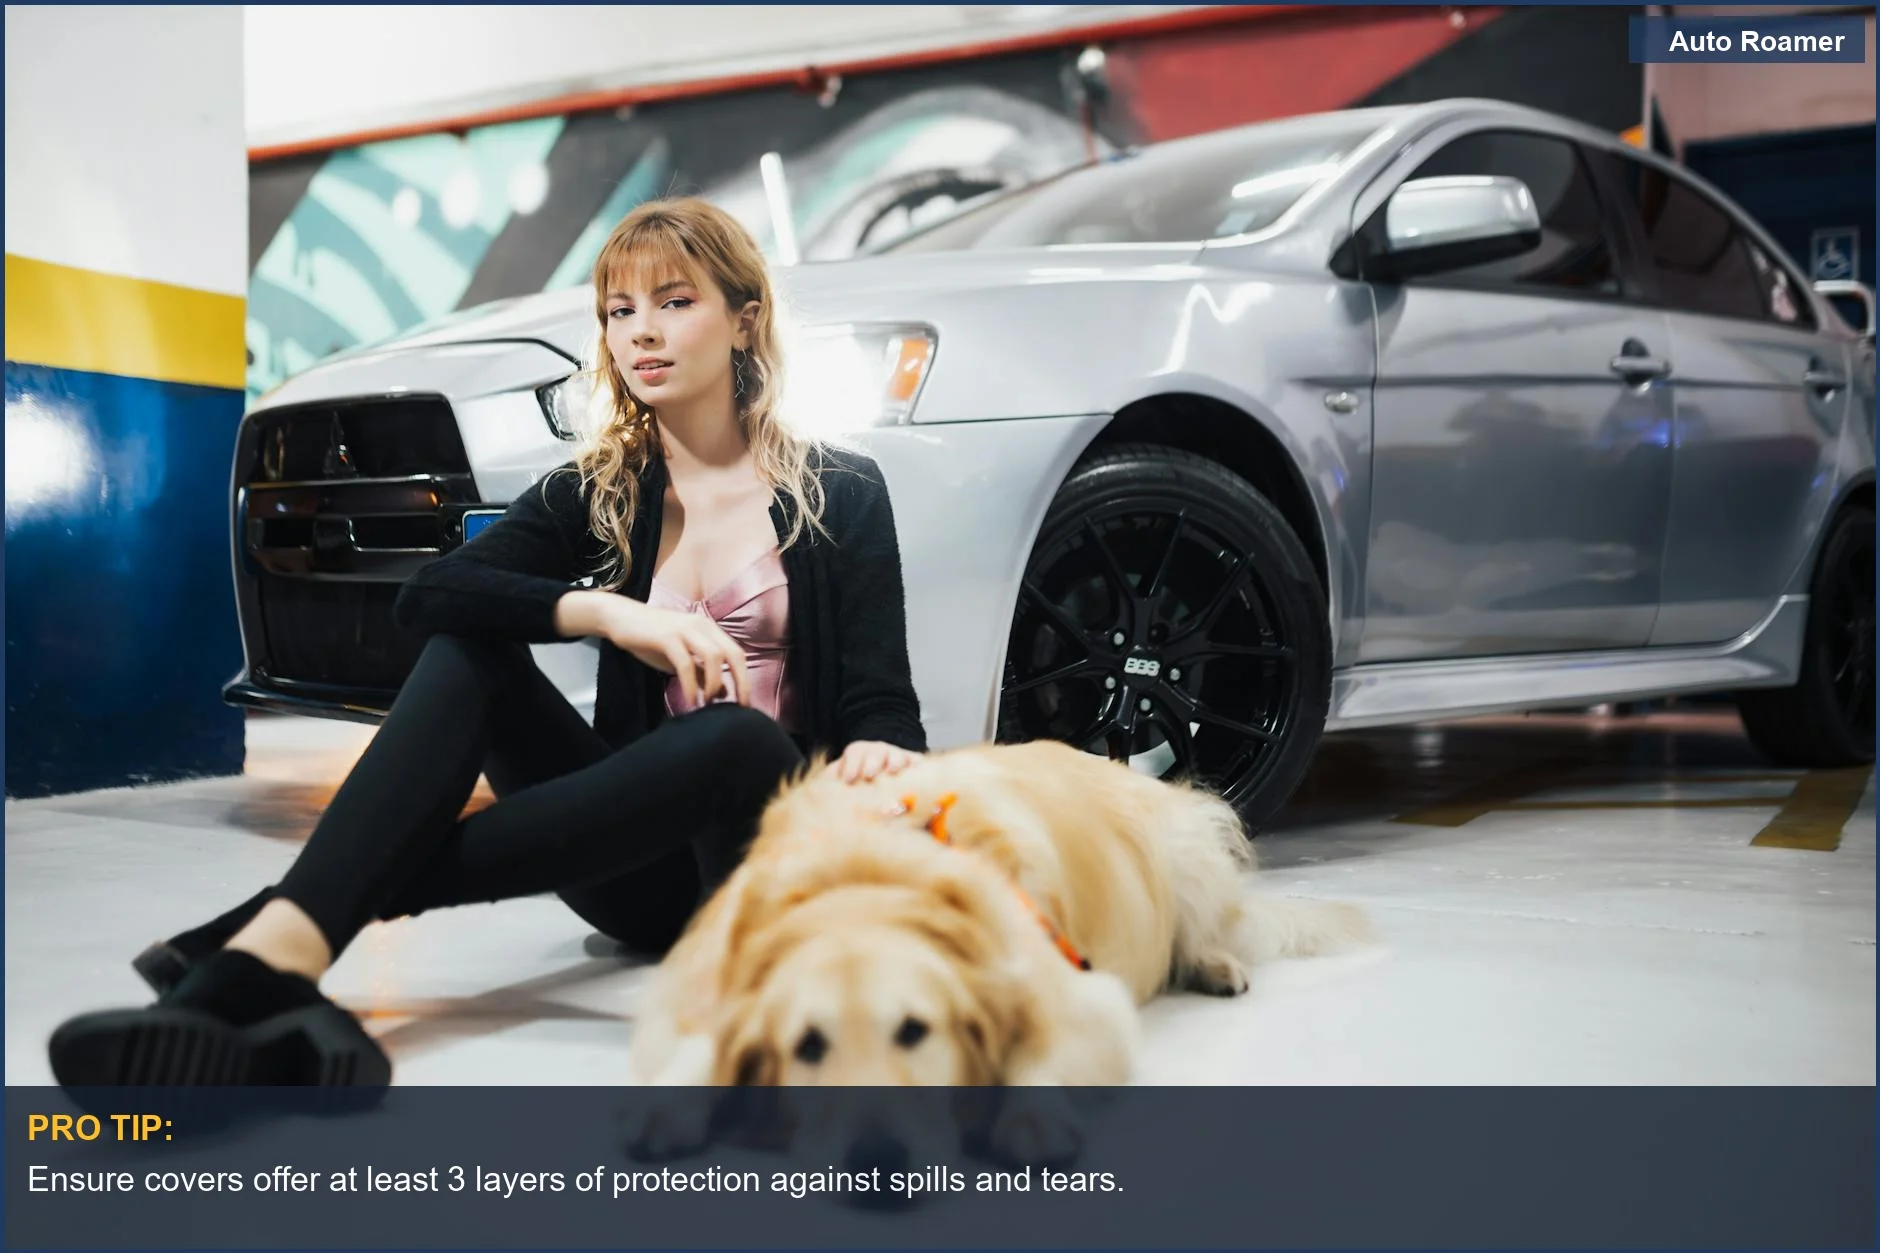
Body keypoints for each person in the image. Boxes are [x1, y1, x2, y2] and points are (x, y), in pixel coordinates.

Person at [47, 197, 928, 1090]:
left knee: (736, 736)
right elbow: (431, 596)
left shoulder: (840, 490)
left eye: (673, 302)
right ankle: (271, 973)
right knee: (467, 651)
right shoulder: (600, 491)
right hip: (631, 870)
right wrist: (608, 612)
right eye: (619, 313)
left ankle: (257, 945)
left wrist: (878, 752)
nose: (641, 334)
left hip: (768, 860)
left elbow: (882, 706)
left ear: (745, 321)